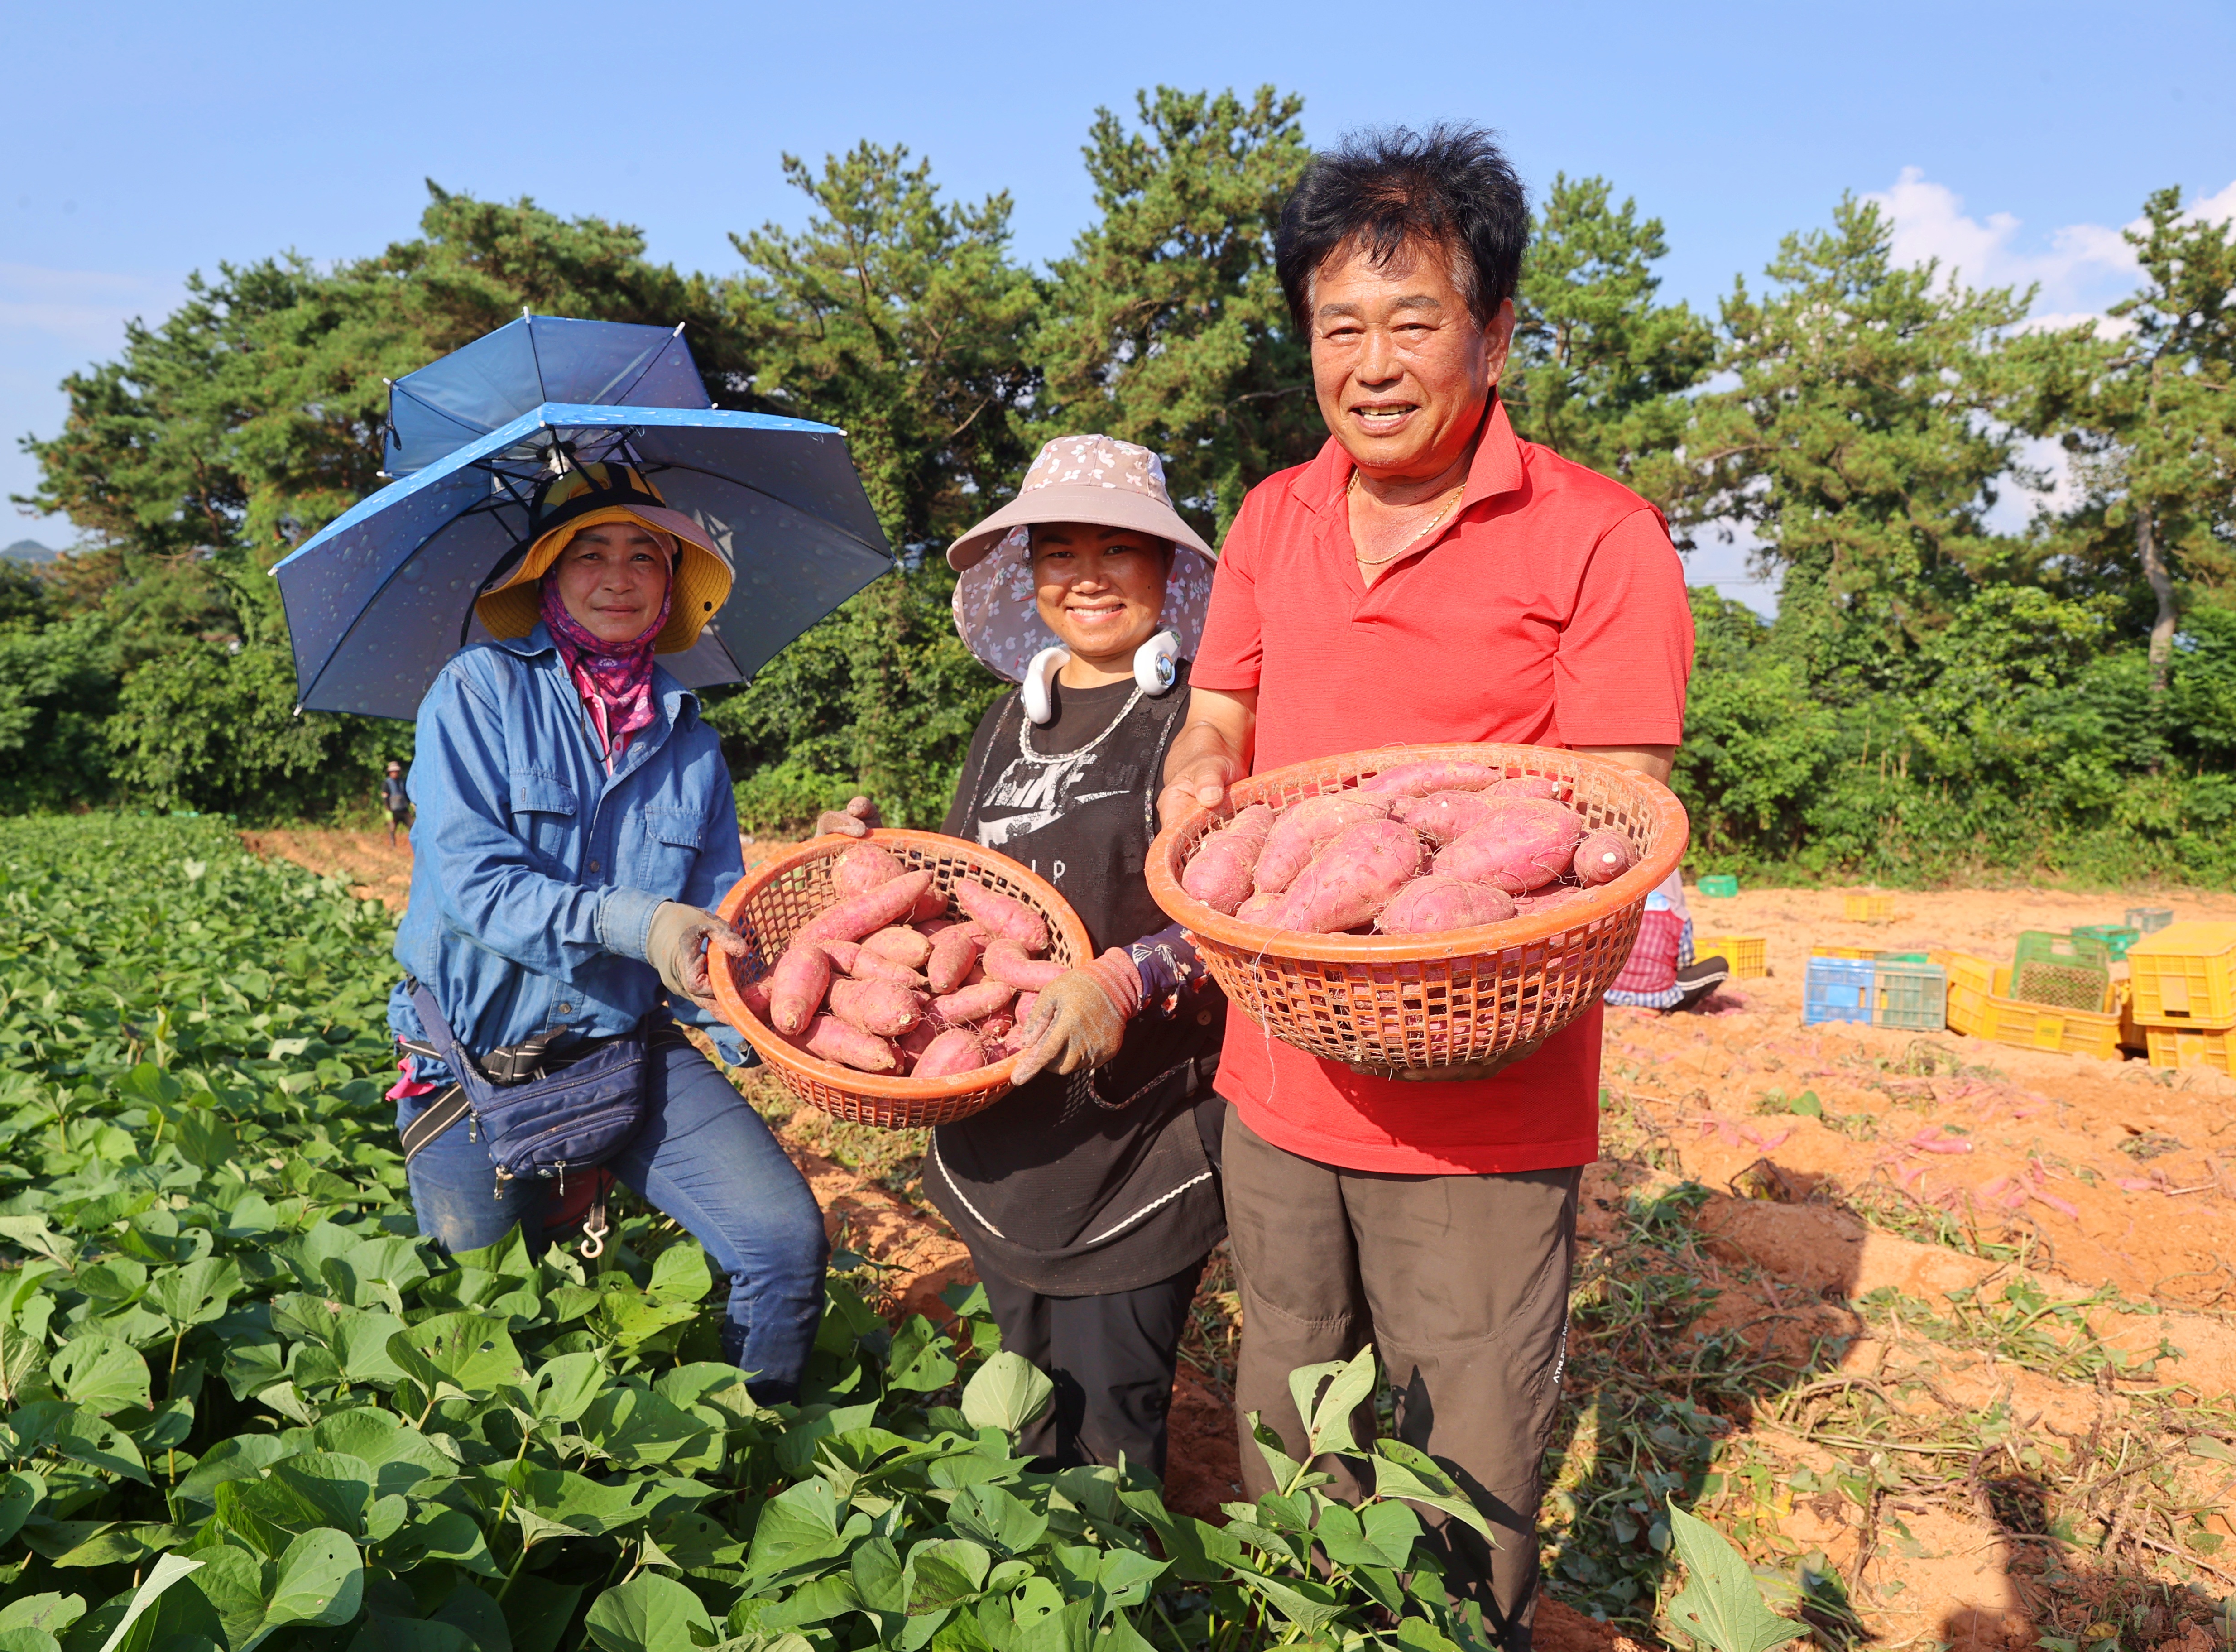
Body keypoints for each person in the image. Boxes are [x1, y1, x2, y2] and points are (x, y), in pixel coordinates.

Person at [1156, 127, 1694, 1652]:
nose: (1372, 362)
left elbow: (1613, 812)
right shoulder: (1269, 516)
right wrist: (1199, 775)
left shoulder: (1597, 532)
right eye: (1339, 325)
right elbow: (1221, 717)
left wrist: (1438, 886)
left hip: (1484, 1097)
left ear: (1496, 329)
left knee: (1464, 1449)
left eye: (1412, 320)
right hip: (1277, 1064)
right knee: (1290, 1399)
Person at [821, 435, 1226, 1478]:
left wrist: (1131, 974)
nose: (1086, 575)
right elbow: (970, 897)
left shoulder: (1199, 726)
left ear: (1167, 572)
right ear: (1030, 573)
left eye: (1118, 549)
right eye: (1059, 550)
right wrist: (871, 873)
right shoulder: (1006, 720)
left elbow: (1235, 919)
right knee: (1018, 1412)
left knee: (1110, 1436)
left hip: (1135, 1135)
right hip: (1002, 1124)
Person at [385, 461, 826, 1405]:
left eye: (645, 556)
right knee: (488, 1324)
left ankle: (752, 1467)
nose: (618, 577)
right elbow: (474, 886)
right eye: (590, 553)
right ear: (547, 575)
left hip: (623, 1046)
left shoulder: (689, 737)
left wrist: (793, 968)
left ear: (674, 587)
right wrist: (638, 920)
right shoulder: (478, 694)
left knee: (782, 1241)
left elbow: (713, 913)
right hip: (473, 1059)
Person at [1604, 871, 1729, 1012]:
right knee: (1720, 965)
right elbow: (1685, 962)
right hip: (1659, 997)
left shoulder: (1619, 911)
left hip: (1611, 994)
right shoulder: (1678, 915)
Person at [379, 759, 412, 845]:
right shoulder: (386, 783)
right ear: (390, 772)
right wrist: (388, 811)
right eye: (393, 771)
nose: (395, 773)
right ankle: (393, 845)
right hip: (393, 810)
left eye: (396, 771)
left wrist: (411, 804)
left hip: (404, 809)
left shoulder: (402, 781)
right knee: (392, 829)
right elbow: (385, 798)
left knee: (412, 826)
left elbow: (406, 794)